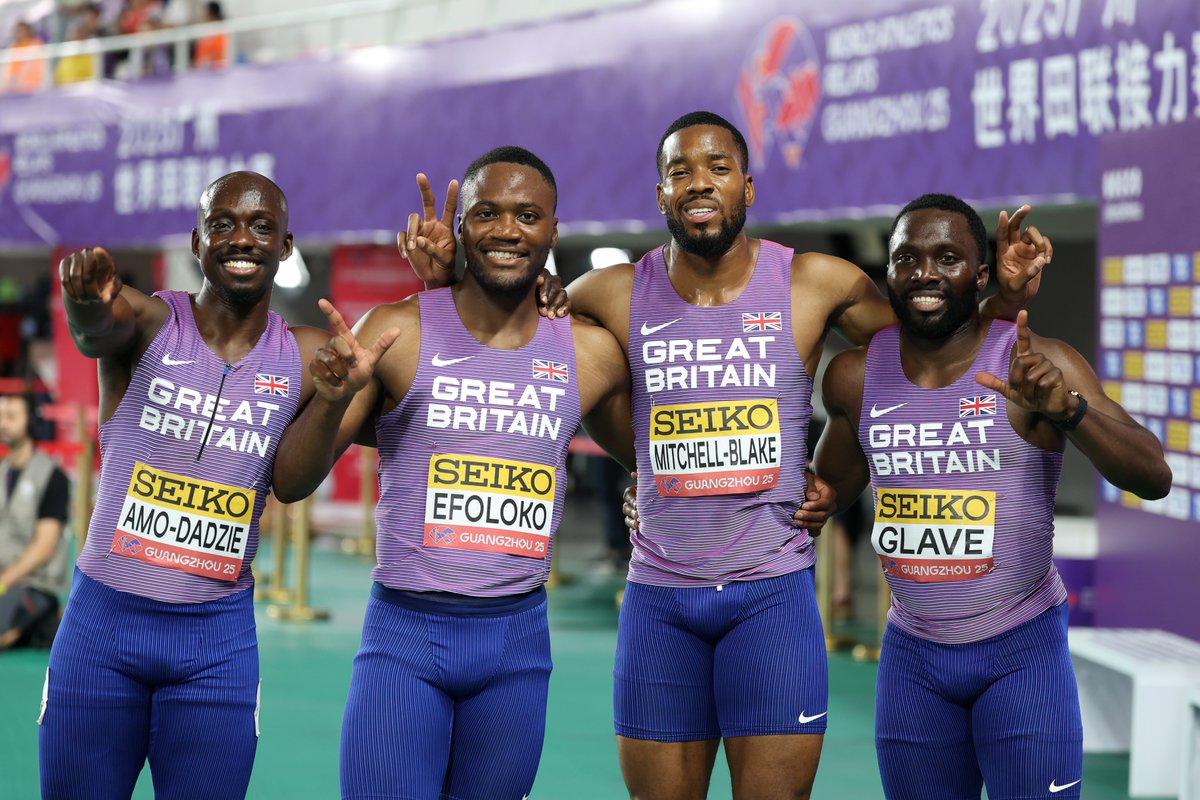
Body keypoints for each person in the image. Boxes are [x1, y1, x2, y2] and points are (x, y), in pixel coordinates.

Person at [560, 111, 1047, 799]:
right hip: (661, 598)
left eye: (718, 168)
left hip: (772, 595)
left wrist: (1000, 301)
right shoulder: (607, 295)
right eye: (680, 172)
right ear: (660, 195)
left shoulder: (817, 283)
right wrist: (637, 461)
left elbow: (929, 353)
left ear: (748, 188)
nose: (700, 184)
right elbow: (529, 361)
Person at [271, 146, 635, 799]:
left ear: (554, 231)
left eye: (528, 215)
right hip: (406, 640)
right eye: (487, 213)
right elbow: (290, 482)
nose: (507, 230)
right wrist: (327, 405)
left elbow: (653, 452)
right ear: (460, 227)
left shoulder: (588, 351)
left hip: (515, 647)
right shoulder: (394, 333)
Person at [814, 193, 1172, 799]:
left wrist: (1072, 412)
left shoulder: (1036, 364)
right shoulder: (854, 375)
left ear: (979, 275)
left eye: (947, 257)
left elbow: (1153, 475)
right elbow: (825, 495)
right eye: (907, 259)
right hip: (913, 663)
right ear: (890, 273)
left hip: (1021, 653)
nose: (925, 273)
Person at [39, 171, 378, 799]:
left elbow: (292, 484)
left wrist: (330, 401)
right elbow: (95, 332)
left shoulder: (305, 355)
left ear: (285, 246)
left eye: (260, 227)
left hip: (213, 644)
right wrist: (85, 302)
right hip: (103, 626)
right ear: (198, 241)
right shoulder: (146, 320)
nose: (240, 238)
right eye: (222, 224)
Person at [0, 393, 70, 649]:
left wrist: (2, 583)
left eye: (10, 417)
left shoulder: (53, 476)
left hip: (34, 584)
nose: (2, 423)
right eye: (0, 417)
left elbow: (44, 548)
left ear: (30, 422)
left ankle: (40, 620)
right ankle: (39, 627)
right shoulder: (2, 471)